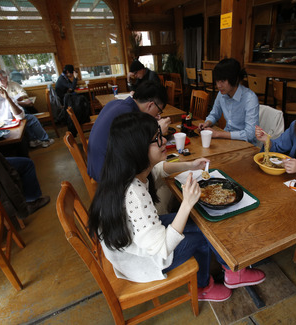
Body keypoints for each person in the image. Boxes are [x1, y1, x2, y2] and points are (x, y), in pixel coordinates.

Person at [88, 112, 265, 301]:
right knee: (206, 238)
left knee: (204, 226)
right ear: (138, 149)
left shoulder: (126, 170)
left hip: (137, 240)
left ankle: (230, 270)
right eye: (156, 139)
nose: (164, 140)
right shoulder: (134, 194)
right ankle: (203, 287)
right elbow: (162, 249)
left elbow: (158, 169)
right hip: (140, 261)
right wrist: (187, 203)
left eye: (160, 134)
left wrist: (190, 165)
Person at [87, 81, 171, 182]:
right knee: (155, 173)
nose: (157, 116)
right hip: (107, 174)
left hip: (95, 164)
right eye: (158, 112)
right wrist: (158, 129)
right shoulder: (128, 114)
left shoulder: (117, 103)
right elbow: (138, 147)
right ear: (150, 105)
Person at [0, 75, 54, 148]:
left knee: (28, 120)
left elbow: (20, 116)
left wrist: (8, 99)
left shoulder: (5, 96)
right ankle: (39, 139)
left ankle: (37, 140)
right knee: (30, 118)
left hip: (9, 131)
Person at [197, 58, 259, 145]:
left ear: (234, 79)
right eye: (217, 81)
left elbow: (250, 134)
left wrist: (218, 134)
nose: (219, 85)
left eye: (223, 81)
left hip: (246, 144)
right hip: (227, 141)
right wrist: (207, 123)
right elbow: (214, 114)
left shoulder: (250, 98)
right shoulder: (221, 94)